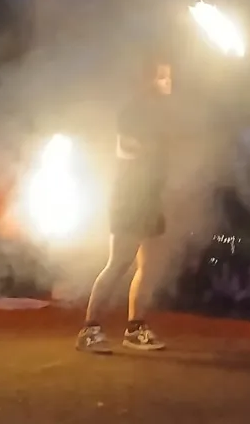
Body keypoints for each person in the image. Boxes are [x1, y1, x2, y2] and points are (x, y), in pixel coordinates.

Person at [76, 55, 175, 353]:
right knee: (119, 262)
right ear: (147, 80)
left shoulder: (160, 114)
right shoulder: (133, 111)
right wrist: (158, 147)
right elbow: (130, 148)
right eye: (162, 76)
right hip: (129, 197)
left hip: (150, 198)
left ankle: (135, 328)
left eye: (169, 76)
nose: (168, 82)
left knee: (149, 266)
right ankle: (89, 330)